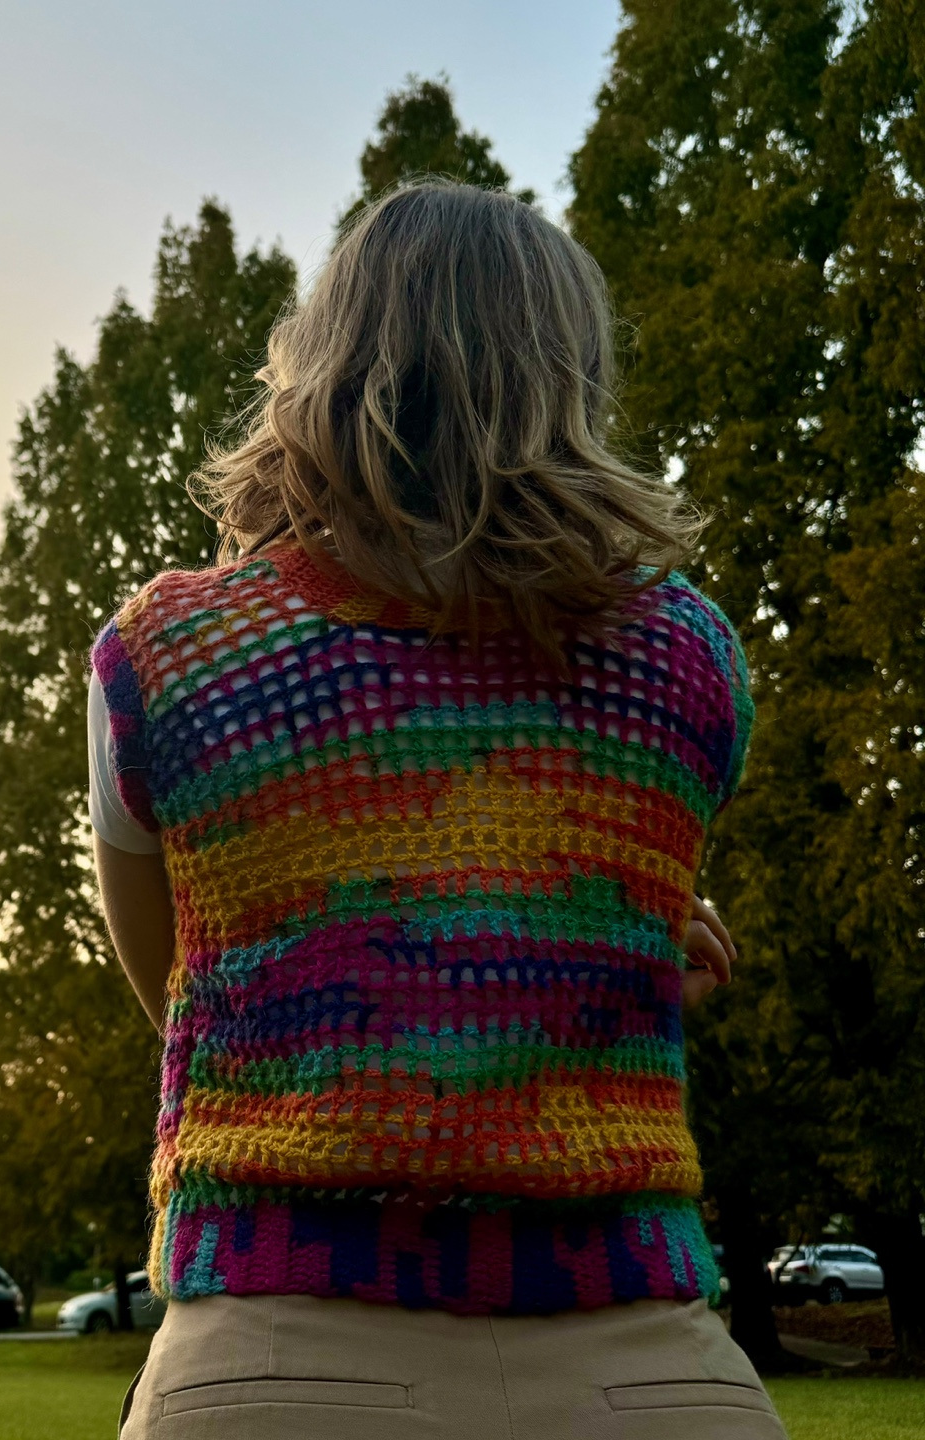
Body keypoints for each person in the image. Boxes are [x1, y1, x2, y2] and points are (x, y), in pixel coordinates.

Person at [88, 181, 784, 1439]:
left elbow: (194, 981)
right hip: (648, 1373)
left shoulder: (176, 654)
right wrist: (569, 957)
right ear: (570, 372)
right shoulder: (689, 656)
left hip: (272, 1359)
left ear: (319, 361)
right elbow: (537, 876)